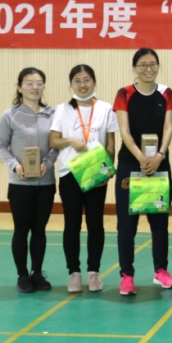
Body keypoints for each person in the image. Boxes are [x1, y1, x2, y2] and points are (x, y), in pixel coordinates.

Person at [113, 48, 172, 296]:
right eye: (142, 65)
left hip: (159, 164)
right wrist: (141, 158)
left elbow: (168, 127)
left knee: (159, 221)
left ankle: (161, 271)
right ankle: (127, 275)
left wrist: (159, 155)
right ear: (135, 68)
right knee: (127, 224)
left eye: (152, 64)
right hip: (131, 166)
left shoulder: (166, 93)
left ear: (158, 66)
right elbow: (124, 131)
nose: (148, 69)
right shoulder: (124, 94)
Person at [50, 64, 119, 293]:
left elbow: (111, 145)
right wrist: (70, 141)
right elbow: (53, 141)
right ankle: (74, 273)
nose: (82, 85)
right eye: (77, 80)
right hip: (70, 173)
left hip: (95, 173)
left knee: (95, 223)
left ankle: (93, 272)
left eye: (87, 79)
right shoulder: (62, 110)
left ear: (94, 82)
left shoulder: (106, 109)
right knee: (72, 224)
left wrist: (107, 172)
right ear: (71, 84)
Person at [0, 67, 58, 293]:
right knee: (21, 229)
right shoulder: (9, 115)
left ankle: (37, 273)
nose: (35, 87)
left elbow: (56, 146)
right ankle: (22, 274)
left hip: (46, 183)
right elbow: (1, 146)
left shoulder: (53, 114)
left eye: (39, 83)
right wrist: (15, 165)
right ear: (19, 87)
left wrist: (47, 163)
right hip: (20, 184)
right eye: (29, 83)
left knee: (40, 230)